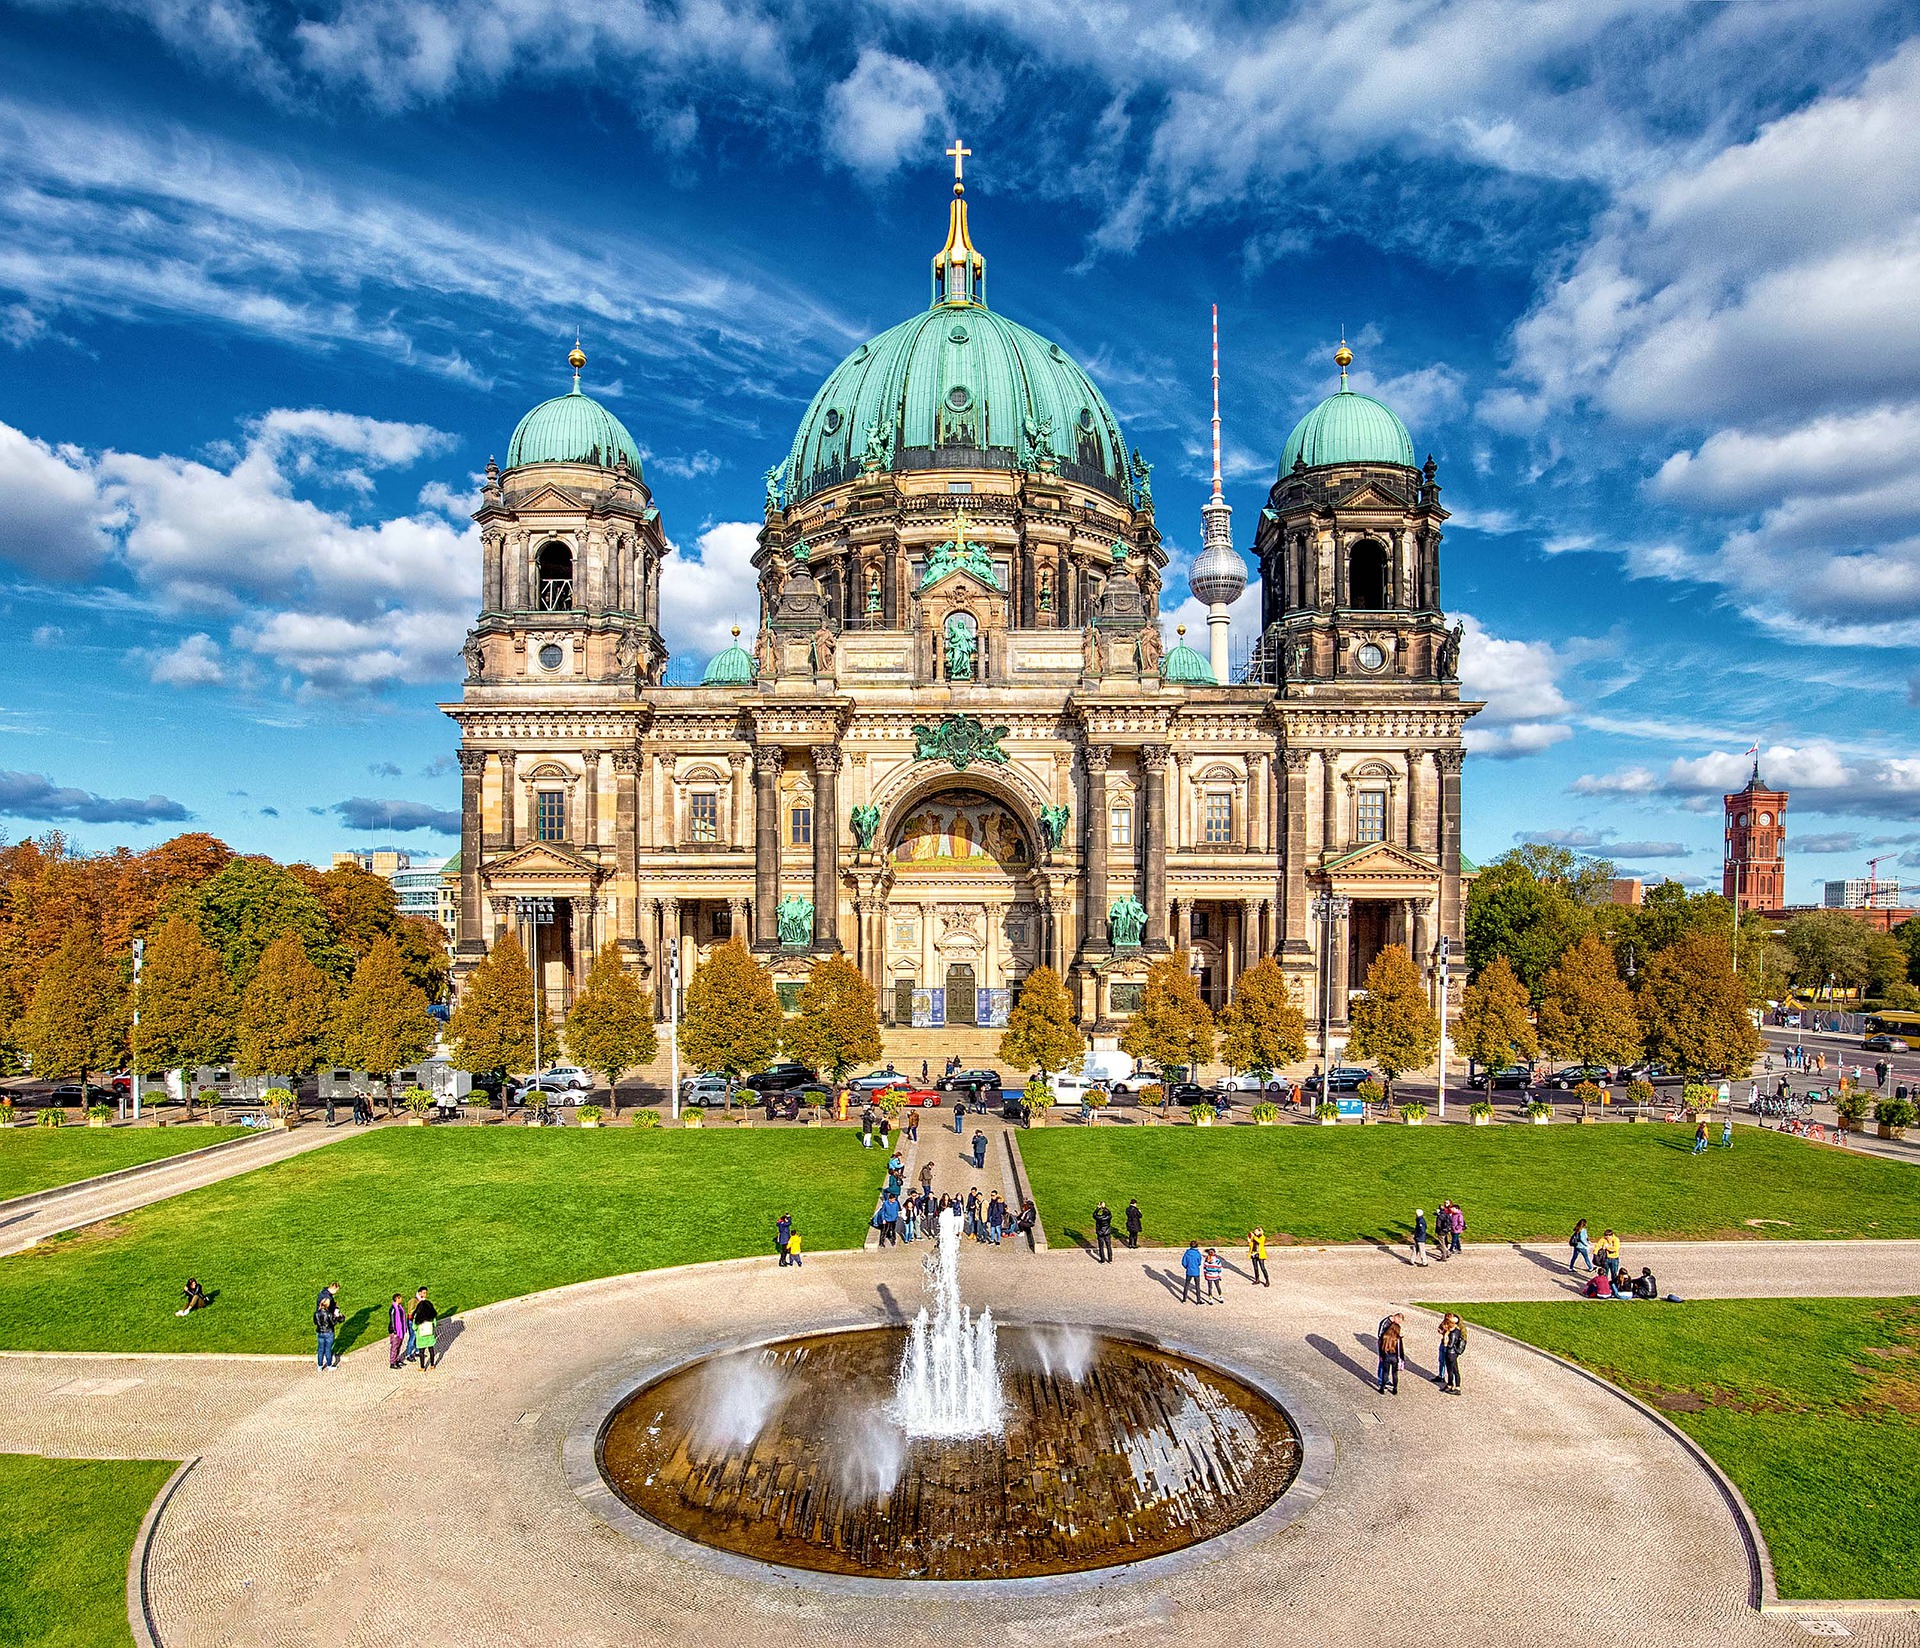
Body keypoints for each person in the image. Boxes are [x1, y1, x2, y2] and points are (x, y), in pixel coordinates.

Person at [313, 1284, 342, 1370]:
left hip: (320, 1332)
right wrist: (337, 1316)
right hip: (328, 1332)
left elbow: (315, 1322)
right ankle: (329, 1366)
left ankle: (320, 1366)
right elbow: (333, 1322)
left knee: (320, 1349)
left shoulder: (316, 1313)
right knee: (328, 1349)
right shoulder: (329, 1314)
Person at [410, 1287, 439, 1372]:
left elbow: (414, 1327)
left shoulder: (417, 1317)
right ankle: (432, 1365)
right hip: (430, 1336)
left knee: (422, 1352)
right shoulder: (431, 1317)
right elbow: (435, 1324)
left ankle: (422, 1367)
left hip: (421, 1337)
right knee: (431, 1351)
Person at [1376, 1313, 1404, 1395]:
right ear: (1396, 1318)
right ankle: (1383, 1382)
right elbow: (1379, 1335)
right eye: (1399, 1321)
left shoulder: (1392, 1325)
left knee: (1385, 1369)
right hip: (1386, 1348)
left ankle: (1384, 1383)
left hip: (1386, 1351)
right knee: (1391, 1371)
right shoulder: (1385, 1323)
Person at [1438, 1313, 1465, 1392]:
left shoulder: (1453, 1333)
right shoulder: (1451, 1332)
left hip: (1451, 1353)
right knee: (1450, 1370)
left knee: (1454, 1370)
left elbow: (1450, 1345)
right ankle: (1450, 1384)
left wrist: (1446, 1343)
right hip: (1449, 1353)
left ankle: (1457, 1387)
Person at [388, 1292, 410, 1368]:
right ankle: (392, 1362)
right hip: (395, 1331)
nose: (401, 1299)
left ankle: (397, 1360)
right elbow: (393, 1320)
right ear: (397, 1298)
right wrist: (394, 1331)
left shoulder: (400, 1308)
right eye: (400, 1298)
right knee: (394, 1347)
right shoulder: (393, 1309)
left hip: (400, 1330)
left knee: (399, 1346)